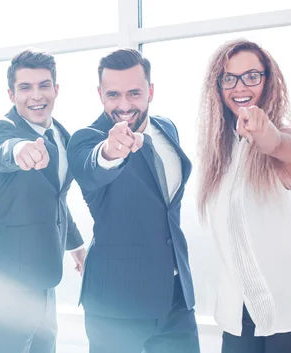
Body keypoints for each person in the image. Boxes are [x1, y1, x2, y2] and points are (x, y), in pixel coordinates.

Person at [67, 48, 199, 353]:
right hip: (116, 306)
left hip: (176, 298)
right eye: (113, 94)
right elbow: (93, 168)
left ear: (151, 91)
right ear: (100, 94)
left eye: (134, 93)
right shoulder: (86, 139)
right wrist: (112, 151)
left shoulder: (167, 129)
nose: (124, 105)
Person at [197, 39, 291, 353]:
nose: (239, 86)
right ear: (218, 87)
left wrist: (265, 133)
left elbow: (281, 145)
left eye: (251, 76)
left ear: (268, 81)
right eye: (229, 78)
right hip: (238, 315)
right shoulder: (221, 154)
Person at [0, 48, 87, 353]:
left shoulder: (63, 136)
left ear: (56, 89)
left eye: (43, 85)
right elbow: (3, 150)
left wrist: (75, 245)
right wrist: (20, 151)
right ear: (11, 94)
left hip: (44, 279)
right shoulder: (3, 129)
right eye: (25, 87)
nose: (36, 95)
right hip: (7, 281)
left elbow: (56, 199)